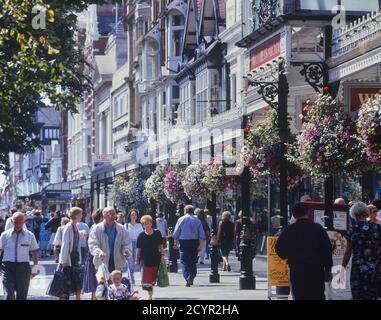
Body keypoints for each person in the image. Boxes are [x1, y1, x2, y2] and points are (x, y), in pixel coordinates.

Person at [275, 202, 333, 300]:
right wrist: (328, 269)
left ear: (293, 215)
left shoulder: (289, 230)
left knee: (299, 296)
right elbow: (326, 250)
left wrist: (289, 256)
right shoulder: (318, 229)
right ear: (308, 213)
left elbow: (279, 249)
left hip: (297, 271)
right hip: (316, 270)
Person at [341, 202, 381, 300]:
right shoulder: (376, 228)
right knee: (372, 295)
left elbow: (348, 253)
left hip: (358, 269)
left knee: (359, 295)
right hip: (374, 267)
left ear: (354, 214)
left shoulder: (352, 230)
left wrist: (342, 268)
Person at [0, 212, 40, 300]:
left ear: (23, 222)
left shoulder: (29, 235)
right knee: (8, 294)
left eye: (20, 222)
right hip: (7, 267)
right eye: (15, 222)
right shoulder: (4, 235)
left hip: (23, 268)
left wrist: (35, 267)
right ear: (11, 221)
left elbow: (35, 252)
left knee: (21, 295)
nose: (17, 225)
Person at [88, 207, 131, 274]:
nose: (111, 216)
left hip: (117, 261)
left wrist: (126, 250)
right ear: (104, 216)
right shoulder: (97, 229)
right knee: (102, 284)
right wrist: (98, 252)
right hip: (102, 261)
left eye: (113, 214)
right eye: (109, 214)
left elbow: (126, 243)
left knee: (116, 284)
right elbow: (92, 244)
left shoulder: (121, 229)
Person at [173, 205, 206, 287]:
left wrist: (175, 240)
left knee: (184, 260)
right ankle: (191, 276)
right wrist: (201, 244)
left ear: (185, 211)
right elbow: (201, 234)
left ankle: (187, 277)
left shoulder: (181, 219)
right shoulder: (197, 220)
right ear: (192, 210)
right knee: (193, 260)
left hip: (184, 242)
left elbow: (176, 232)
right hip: (194, 242)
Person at [135, 215, 164, 300]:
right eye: (145, 224)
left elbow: (161, 245)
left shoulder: (157, 233)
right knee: (147, 279)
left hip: (156, 258)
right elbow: (138, 249)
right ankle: (150, 296)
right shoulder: (141, 235)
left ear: (151, 223)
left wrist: (162, 255)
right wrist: (137, 260)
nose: (147, 225)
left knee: (153, 278)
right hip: (145, 259)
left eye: (148, 223)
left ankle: (150, 291)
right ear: (143, 225)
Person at [59, 207, 83, 300]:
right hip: (69, 259)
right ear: (76, 215)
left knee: (75, 283)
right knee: (66, 284)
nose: (82, 216)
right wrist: (64, 260)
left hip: (75, 258)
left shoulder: (75, 226)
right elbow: (65, 244)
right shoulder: (69, 227)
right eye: (80, 214)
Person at [82, 209, 104, 300]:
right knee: (97, 278)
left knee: (96, 279)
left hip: (94, 255)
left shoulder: (95, 226)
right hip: (95, 256)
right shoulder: (97, 227)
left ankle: (94, 297)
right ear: (102, 217)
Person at [124, 209, 143, 287]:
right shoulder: (126, 225)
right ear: (130, 216)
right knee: (130, 264)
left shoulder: (139, 225)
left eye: (135, 214)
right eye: (132, 214)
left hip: (138, 244)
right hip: (129, 244)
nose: (134, 216)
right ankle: (132, 281)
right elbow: (124, 236)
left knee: (138, 263)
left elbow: (142, 235)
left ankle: (142, 279)